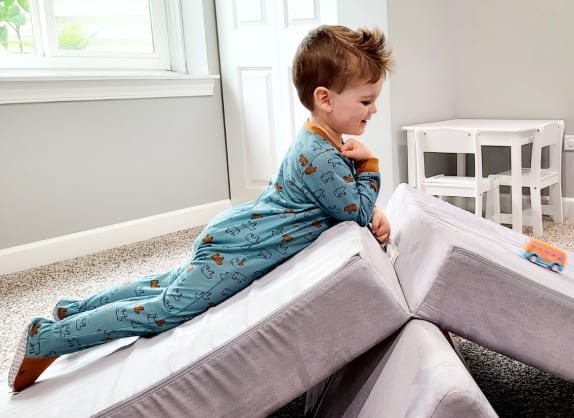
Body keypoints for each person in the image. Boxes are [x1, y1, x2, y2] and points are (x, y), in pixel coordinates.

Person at [9, 25, 393, 392]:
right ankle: (46, 339)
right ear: (325, 98)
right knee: (164, 309)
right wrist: (369, 165)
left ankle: (71, 309)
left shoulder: (320, 141)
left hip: (237, 235)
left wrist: (366, 200)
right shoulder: (323, 156)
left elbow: (343, 204)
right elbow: (354, 211)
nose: (373, 109)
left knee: (161, 283)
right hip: (240, 252)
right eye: (366, 100)